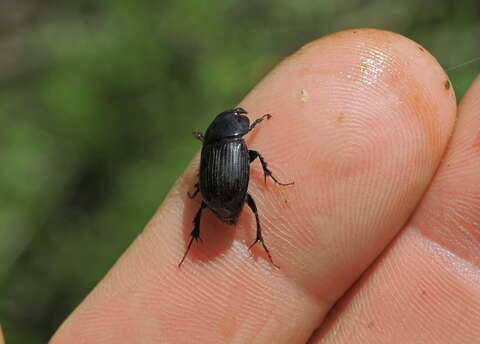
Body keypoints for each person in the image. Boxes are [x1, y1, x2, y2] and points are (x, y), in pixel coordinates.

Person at [45, 29, 479, 343]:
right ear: (238, 130)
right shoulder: (236, 146)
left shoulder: (216, 146)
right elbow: (243, 159)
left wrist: (205, 191)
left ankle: (234, 234)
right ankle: (258, 242)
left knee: (217, 201)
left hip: (219, 194)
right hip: (228, 193)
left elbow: (209, 174)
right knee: (247, 201)